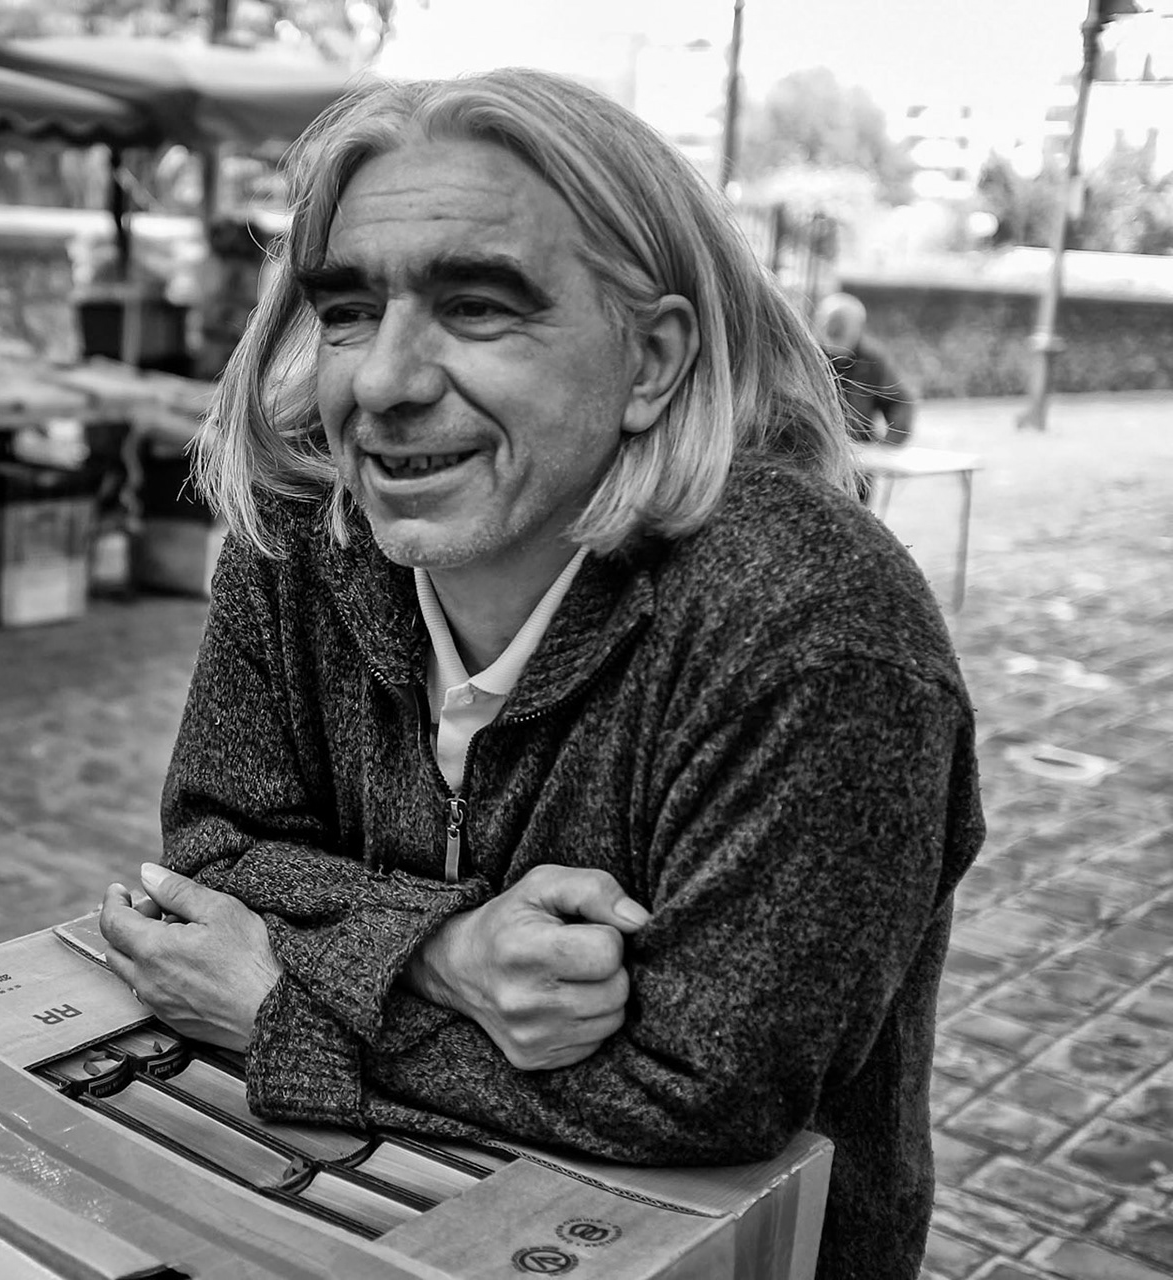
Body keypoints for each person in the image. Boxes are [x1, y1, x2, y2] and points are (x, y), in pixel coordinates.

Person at [94, 68, 982, 1280]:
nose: (382, 384)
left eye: (476, 308)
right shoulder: (304, 528)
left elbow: (700, 1088)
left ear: (652, 359)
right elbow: (212, 849)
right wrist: (445, 953)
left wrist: (278, 1011)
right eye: (349, 309)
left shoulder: (817, 627)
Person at [815, 291, 917, 447]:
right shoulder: (807, 355)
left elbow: (900, 402)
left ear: (858, 329)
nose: (836, 333)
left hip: (859, 450)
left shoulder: (871, 359)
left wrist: (886, 446)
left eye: (842, 331)